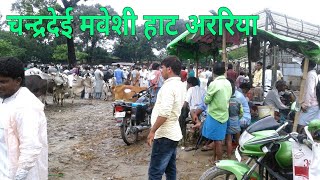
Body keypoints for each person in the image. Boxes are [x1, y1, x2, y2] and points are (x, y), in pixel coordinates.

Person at [0, 57, 48, 180]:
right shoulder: (5, 99)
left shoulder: (26, 106)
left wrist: (20, 175)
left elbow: (30, 146)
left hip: (17, 173)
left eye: (3, 82)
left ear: (18, 81)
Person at [147, 56, 185, 179]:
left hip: (164, 134)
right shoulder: (180, 85)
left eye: (162, 68)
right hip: (172, 132)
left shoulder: (169, 87)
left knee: (155, 172)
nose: (161, 70)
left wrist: (153, 130)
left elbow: (164, 113)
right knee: (170, 168)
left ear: (169, 69)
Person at [201, 62, 232, 162]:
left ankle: (219, 162)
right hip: (224, 114)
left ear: (213, 71)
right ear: (224, 71)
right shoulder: (228, 83)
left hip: (215, 115)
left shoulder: (214, 84)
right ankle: (215, 159)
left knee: (218, 141)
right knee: (217, 139)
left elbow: (206, 100)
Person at [297, 59, 320, 133]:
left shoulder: (310, 75)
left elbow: (310, 91)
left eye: (302, 64)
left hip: (311, 105)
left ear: (307, 65)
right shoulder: (311, 74)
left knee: (301, 124)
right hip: (314, 105)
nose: (301, 66)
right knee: (310, 125)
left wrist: (305, 105)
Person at [226, 79, 242, 159]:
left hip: (228, 121)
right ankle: (239, 156)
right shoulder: (238, 101)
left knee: (229, 141)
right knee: (238, 140)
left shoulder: (226, 101)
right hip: (236, 120)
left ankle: (229, 156)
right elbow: (241, 112)